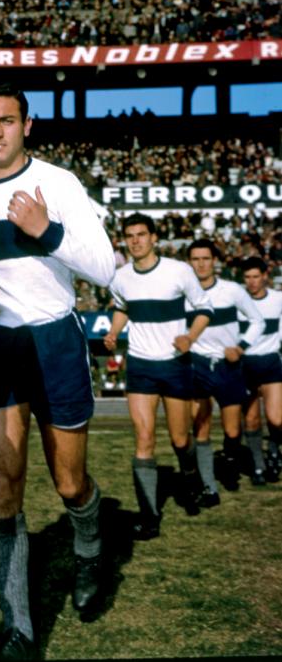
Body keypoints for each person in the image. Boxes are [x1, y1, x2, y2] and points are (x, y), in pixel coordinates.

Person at [0, 84, 116, 658]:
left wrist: (46, 231)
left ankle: (90, 545)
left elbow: (104, 268)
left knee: (70, 482)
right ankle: (18, 628)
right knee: (2, 488)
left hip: (55, 339)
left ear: (27, 125)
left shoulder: (58, 183)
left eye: (6, 119)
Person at [104, 214, 213, 539]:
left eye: (141, 234)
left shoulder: (179, 272)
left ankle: (191, 476)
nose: (135, 241)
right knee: (144, 439)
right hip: (140, 365)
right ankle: (149, 517)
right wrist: (113, 332)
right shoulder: (120, 277)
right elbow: (122, 307)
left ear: (154, 238)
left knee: (180, 439)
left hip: (175, 364)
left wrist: (189, 339)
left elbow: (204, 308)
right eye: (130, 236)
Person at [185, 240, 264, 503]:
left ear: (215, 261)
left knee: (232, 431)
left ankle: (229, 464)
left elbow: (257, 321)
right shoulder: (183, 294)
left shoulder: (231, 291)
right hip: (196, 364)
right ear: (190, 262)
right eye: (195, 259)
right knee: (201, 425)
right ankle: (209, 486)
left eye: (206, 258)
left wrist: (240, 347)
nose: (201, 263)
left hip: (228, 366)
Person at [239, 256, 282, 485]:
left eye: (256, 276)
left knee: (276, 419)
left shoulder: (278, 299)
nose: (252, 282)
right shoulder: (238, 301)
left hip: (270, 363)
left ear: (265, 276)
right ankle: (258, 466)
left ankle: (274, 449)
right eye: (248, 277)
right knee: (252, 420)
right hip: (245, 365)